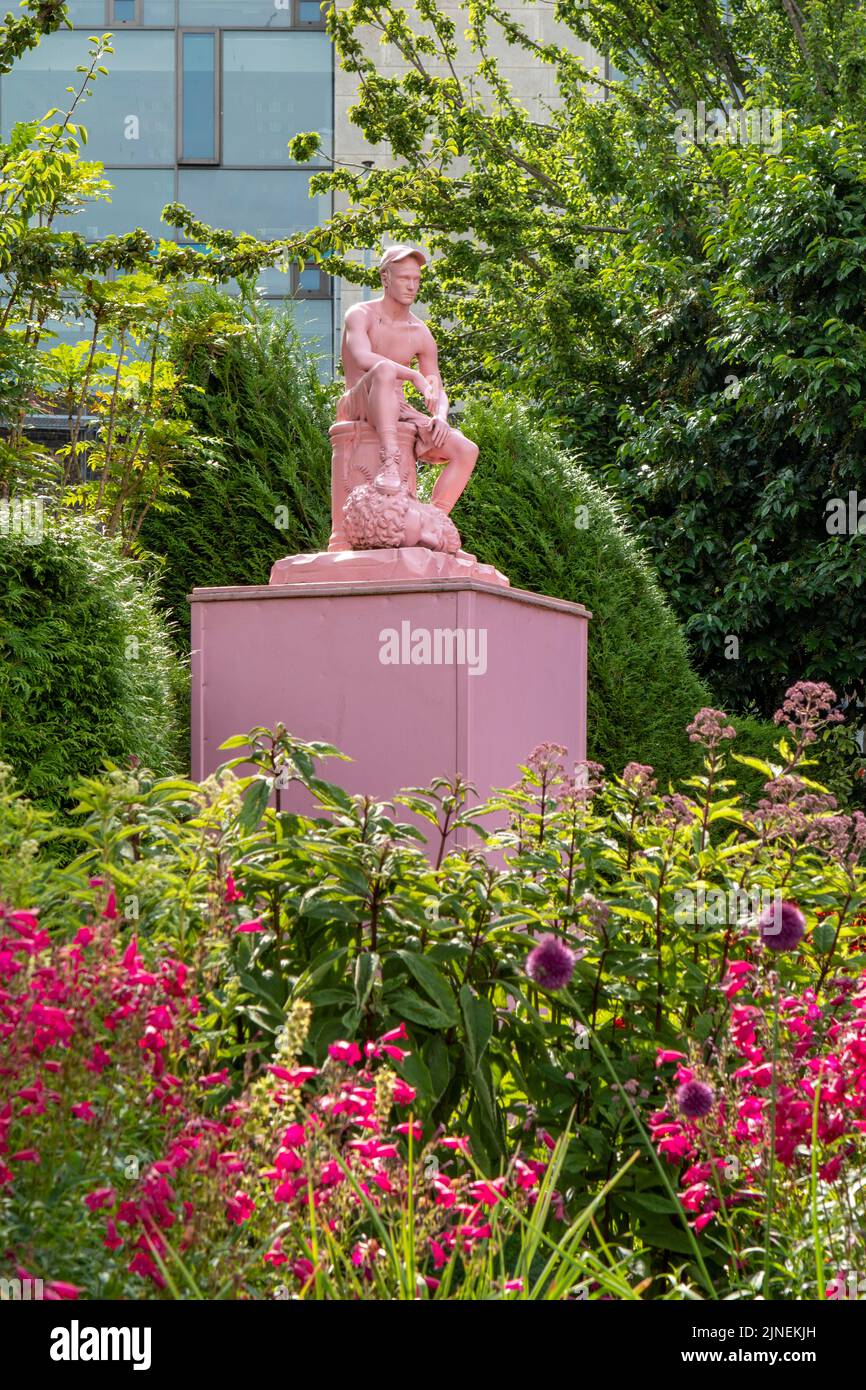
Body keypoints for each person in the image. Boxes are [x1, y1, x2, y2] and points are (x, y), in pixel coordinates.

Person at [337, 244, 478, 513]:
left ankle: (435, 520)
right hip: (358, 401)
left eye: (416, 279)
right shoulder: (360, 314)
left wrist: (441, 416)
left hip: (398, 409)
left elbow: (435, 384)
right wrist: (413, 375)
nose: (412, 286)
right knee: (384, 371)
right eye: (404, 278)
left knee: (466, 449)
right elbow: (363, 358)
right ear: (385, 278)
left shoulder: (420, 332)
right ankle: (389, 460)